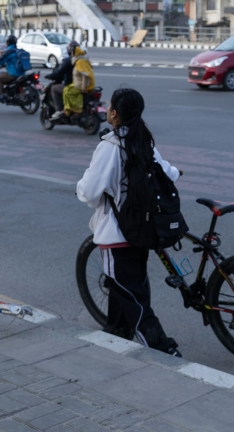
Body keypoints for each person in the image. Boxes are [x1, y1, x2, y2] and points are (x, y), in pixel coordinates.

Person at [76, 88, 182, 357]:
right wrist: (177, 172)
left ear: (114, 113)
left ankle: (164, 350)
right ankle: (116, 330)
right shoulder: (143, 140)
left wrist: (78, 188)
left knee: (133, 297)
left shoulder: (109, 147)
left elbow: (89, 191)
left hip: (117, 236)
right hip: (143, 232)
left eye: (110, 106)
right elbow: (168, 171)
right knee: (126, 285)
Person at [47, 41, 77, 120]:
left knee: (54, 89)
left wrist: (50, 76)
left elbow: (59, 72)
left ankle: (59, 110)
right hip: (85, 86)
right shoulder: (84, 60)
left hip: (71, 86)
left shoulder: (68, 61)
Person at [62, 44, 94, 117]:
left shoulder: (80, 62)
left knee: (67, 91)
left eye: (72, 52)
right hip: (78, 84)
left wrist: (83, 88)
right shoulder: (80, 61)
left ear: (74, 53)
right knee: (66, 89)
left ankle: (74, 109)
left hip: (80, 86)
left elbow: (85, 75)